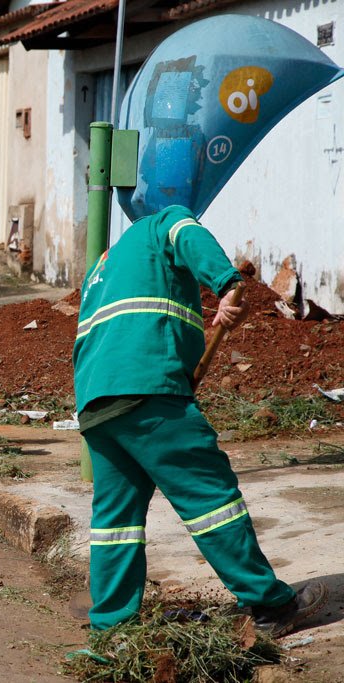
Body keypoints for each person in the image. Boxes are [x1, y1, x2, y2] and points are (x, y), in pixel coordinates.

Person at [73, 204, 328, 637]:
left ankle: (111, 628)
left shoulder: (104, 264)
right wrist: (228, 284)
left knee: (115, 522)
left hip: (96, 400)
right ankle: (270, 605)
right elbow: (189, 236)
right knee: (211, 499)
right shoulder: (164, 221)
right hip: (149, 385)